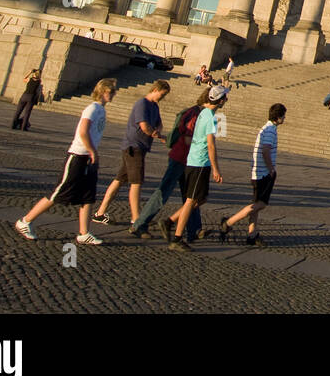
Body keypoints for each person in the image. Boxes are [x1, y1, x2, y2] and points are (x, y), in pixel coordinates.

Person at [15, 78, 117, 245]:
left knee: (87, 195)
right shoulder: (92, 109)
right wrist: (92, 151)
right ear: (103, 91)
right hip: (78, 155)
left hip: (88, 157)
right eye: (112, 91)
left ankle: (84, 233)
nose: (114, 94)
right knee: (58, 193)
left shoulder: (101, 110)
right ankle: (25, 221)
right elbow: (83, 131)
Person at [92, 80, 170, 229]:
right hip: (134, 147)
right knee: (136, 182)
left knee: (119, 180)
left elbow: (159, 123)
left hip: (140, 147)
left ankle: (100, 213)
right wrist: (159, 136)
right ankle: (136, 219)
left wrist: (158, 131)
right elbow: (144, 126)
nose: (162, 98)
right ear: (155, 89)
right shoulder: (142, 103)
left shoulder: (154, 106)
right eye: (162, 94)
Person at [133, 93, 206, 240]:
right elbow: (187, 139)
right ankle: (139, 225)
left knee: (190, 196)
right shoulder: (195, 114)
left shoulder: (197, 112)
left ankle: (195, 229)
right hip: (180, 158)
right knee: (163, 193)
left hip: (189, 160)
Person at [165, 84, 228, 251]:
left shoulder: (204, 112)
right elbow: (211, 145)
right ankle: (177, 238)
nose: (226, 100)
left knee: (200, 199)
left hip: (196, 161)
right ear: (220, 100)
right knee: (190, 200)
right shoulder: (210, 117)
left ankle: (170, 221)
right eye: (225, 98)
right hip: (199, 162)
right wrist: (216, 169)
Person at [221, 103, 286, 245]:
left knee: (256, 204)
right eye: (283, 115)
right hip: (263, 173)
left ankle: (252, 235)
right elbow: (265, 150)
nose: (285, 118)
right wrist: (271, 169)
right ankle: (228, 222)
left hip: (258, 171)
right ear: (278, 116)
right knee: (260, 204)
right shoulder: (270, 130)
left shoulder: (268, 128)